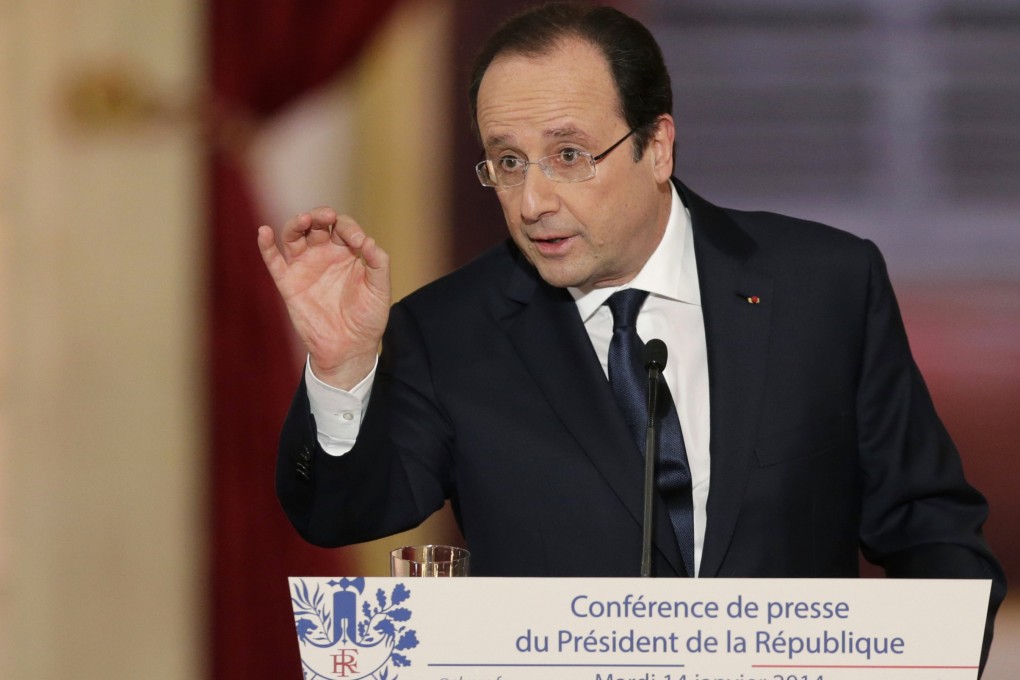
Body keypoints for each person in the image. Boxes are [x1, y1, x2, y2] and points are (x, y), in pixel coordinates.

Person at [257, 0, 1004, 668]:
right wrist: (343, 367)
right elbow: (342, 514)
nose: (533, 200)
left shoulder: (826, 287)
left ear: (657, 146)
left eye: (569, 155)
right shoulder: (449, 330)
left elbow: (930, 528)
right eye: (508, 162)